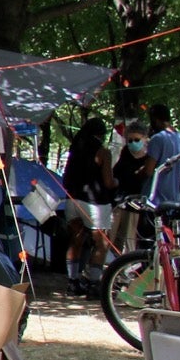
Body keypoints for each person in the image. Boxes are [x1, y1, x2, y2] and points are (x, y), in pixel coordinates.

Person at [61, 119, 117, 294]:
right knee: (101, 243)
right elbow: (107, 181)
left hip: (72, 200)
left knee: (75, 241)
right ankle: (93, 283)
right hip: (95, 203)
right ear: (101, 134)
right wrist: (117, 182)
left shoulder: (75, 149)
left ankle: (73, 281)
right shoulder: (103, 152)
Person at [110, 120, 152, 252]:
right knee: (112, 236)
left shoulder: (150, 158)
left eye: (136, 139)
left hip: (136, 204)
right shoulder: (125, 153)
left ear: (145, 138)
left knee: (129, 240)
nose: (133, 143)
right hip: (119, 201)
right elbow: (116, 174)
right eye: (130, 140)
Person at [146, 105, 180, 206]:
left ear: (155, 120)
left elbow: (148, 171)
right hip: (172, 198)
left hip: (154, 199)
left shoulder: (158, 139)